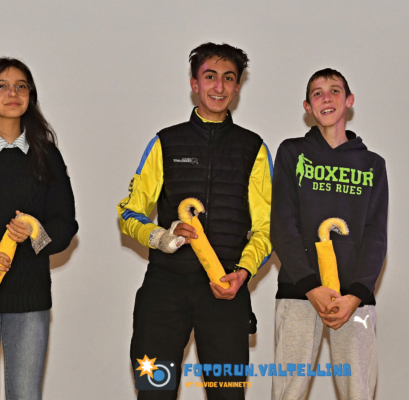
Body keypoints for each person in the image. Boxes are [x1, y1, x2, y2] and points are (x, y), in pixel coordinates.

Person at [117, 42, 272, 399]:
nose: (219, 86)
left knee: (227, 395)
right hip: (164, 290)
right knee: (154, 392)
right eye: (210, 76)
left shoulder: (254, 148)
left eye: (228, 78)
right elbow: (129, 212)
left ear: (237, 86)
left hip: (226, 291)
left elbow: (266, 229)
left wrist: (242, 274)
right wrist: (159, 236)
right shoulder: (165, 142)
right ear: (194, 83)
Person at [270, 68, 388, 400]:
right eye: (317, 93)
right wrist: (310, 286)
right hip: (300, 291)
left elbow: (376, 234)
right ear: (308, 106)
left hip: (354, 300)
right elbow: (282, 225)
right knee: (288, 392)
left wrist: (357, 294)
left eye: (335, 90)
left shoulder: (373, 164)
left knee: (358, 392)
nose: (326, 98)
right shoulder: (292, 153)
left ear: (349, 101)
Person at [0, 58, 78, 399]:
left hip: (28, 296)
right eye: (2, 86)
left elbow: (66, 223)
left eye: (21, 86)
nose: (13, 93)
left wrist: (36, 233)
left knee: (25, 394)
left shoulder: (46, 154)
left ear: (30, 95)